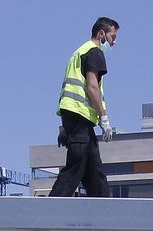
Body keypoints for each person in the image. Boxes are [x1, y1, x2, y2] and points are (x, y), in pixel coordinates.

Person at [48, 17, 117, 198]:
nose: (114, 41)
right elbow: (92, 86)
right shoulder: (94, 52)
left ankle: (104, 209)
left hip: (76, 117)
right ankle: (50, 209)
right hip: (79, 115)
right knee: (76, 165)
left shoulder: (79, 52)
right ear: (101, 33)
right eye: (112, 36)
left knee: (94, 170)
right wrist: (104, 118)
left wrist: (66, 126)